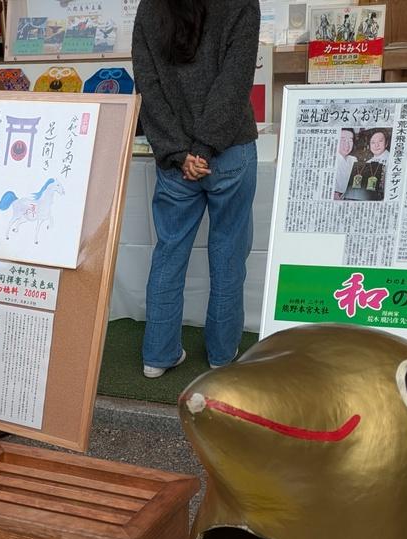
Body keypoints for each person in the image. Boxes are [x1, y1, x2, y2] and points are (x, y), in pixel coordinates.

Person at [133, 0, 260, 377]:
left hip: (177, 158)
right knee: (228, 252)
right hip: (229, 150)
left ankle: (157, 356)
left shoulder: (150, 6)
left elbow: (148, 86)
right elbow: (235, 82)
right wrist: (203, 149)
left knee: (169, 253)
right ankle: (221, 354)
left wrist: (180, 151)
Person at [334, 127, 356, 200]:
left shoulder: (353, 159)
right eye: (343, 140)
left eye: (350, 140)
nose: (347, 144)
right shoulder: (332, 161)